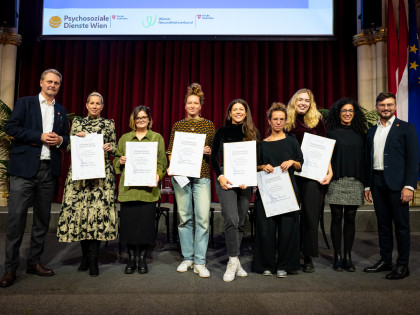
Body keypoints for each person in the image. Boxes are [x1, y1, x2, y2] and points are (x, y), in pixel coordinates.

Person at [0, 69, 69, 288]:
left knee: (42, 220)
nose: (53, 85)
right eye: (49, 81)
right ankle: (10, 268)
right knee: (16, 220)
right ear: (41, 82)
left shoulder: (60, 110)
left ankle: (34, 262)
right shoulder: (25, 103)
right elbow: (11, 128)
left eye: (56, 83)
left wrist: (60, 139)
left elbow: (65, 138)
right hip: (23, 170)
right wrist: (38, 136)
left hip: (48, 171)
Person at [56, 92, 117, 277]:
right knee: (82, 216)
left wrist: (110, 147)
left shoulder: (109, 123)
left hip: (101, 177)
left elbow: (115, 146)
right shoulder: (77, 123)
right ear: (86, 105)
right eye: (92, 103)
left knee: (97, 216)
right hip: (80, 176)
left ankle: (93, 260)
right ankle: (84, 256)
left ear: (102, 106)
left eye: (98, 103)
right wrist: (76, 139)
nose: (95, 106)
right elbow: (67, 147)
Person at [364, 92, 419, 280]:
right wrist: (367, 186)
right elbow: (367, 159)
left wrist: (409, 186)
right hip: (377, 183)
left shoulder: (406, 128)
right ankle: (385, 260)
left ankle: (403, 265)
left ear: (394, 106)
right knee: (383, 225)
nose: (385, 108)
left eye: (389, 104)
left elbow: (413, 159)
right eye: (381, 105)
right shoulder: (371, 131)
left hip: (398, 185)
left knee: (402, 227)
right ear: (377, 107)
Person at [167, 83, 215, 278]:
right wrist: (174, 166)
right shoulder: (178, 125)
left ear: (200, 106)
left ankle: (200, 261)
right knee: (184, 217)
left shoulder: (208, 125)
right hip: (182, 177)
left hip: (202, 175)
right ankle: (188, 257)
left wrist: (209, 151)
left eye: (196, 103)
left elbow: (213, 151)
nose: (192, 106)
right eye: (189, 103)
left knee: (202, 219)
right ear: (185, 105)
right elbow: (171, 151)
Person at [114, 106, 167, 274]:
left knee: (145, 227)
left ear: (149, 120)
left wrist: (158, 175)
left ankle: (142, 258)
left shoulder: (157, 138)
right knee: (129, 227)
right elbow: (116, 162)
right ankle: (131, 259)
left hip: (148, 191)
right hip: (129, 189)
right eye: (138, 118)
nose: (141, 120)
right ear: (133, 120)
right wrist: (120, 161)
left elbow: (162, 163)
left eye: (144, 117)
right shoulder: (125, 139)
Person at [252, 102, 303, 278]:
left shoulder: (291, 141)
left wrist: (292, 162)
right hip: (267, 192)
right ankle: (266, 264)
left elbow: (300, 163)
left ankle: (284, 265)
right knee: (265, 229)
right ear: (269, 121)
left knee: (288, 228)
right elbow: (254, 166)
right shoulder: (261, 144)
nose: (279, 122)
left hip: (288, 191)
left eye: (282, 119)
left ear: (285, 120)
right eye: (275, 119)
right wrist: (262, 166)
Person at [284, 88, 333, 273]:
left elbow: (325, 147)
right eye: (300, 99)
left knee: (310, 215)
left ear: (311, 103)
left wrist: (330, 171)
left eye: (307, 100)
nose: (303, 103)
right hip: (289, 174)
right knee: (290, 214)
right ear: (294, 102)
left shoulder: (317, 120)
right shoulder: (286, 120)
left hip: (312, 175)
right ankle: (290, 253)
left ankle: (308, 256)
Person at [211, 99, 259, 282]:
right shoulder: (222, 131)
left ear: (246, 113)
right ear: (229, 113)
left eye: (241, 109)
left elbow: (256, 158)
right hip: (227, 179)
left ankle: (236, 259)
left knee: (240, 221)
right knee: (231, 218)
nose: (238, 112)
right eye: (234, 109)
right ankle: (232, 261)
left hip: (245, 182)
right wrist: (220, 176)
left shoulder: (253, 133)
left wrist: (249, 177)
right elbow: (214, 157)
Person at [324, 98, 367, 272]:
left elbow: (365, 159)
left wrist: (366, 184)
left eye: (350, 111)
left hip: (355, 181)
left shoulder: (361, 133)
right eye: (344, 111)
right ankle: (337, 255)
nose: (347, 113)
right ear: (338, 113)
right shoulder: (330, 132)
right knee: (336, 217)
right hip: (336, 180)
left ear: (354, 113)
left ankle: (347, 256)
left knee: (350, 218)